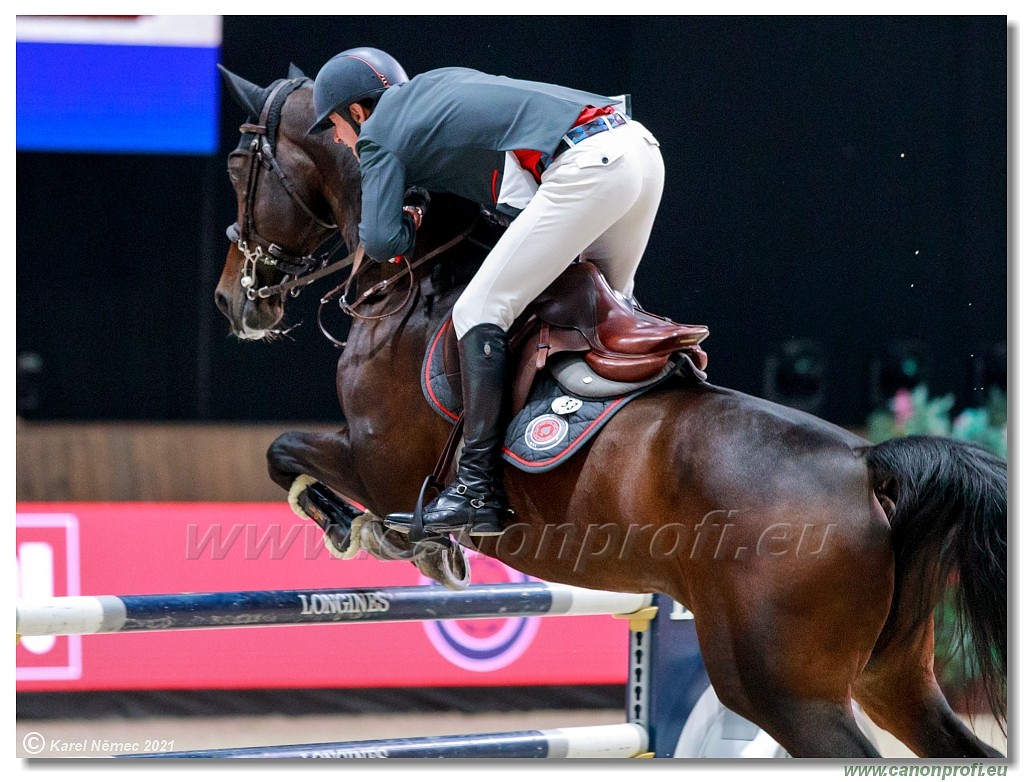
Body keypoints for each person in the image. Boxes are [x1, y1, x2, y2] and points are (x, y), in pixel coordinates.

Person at [309, 47, 666, 538]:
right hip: (639, 150)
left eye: (333, 126)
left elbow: (379, 240)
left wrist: (408, 223)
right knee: (604, 312)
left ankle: (477, 488)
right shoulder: (438, 85)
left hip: (588, 164)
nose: (337, 138)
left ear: (356, 111)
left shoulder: (379, 131)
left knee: (479, 309)